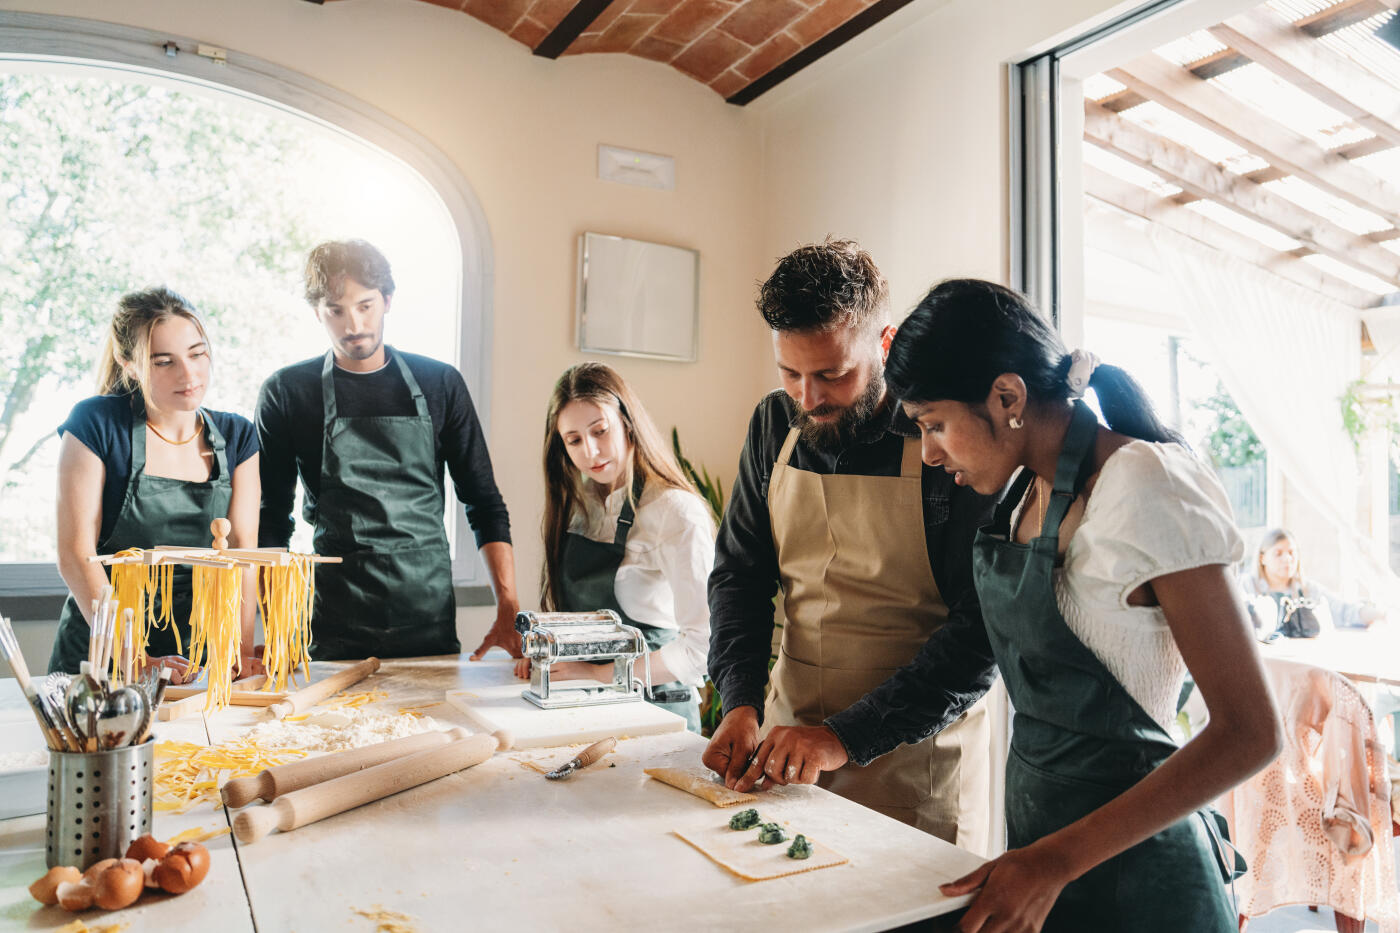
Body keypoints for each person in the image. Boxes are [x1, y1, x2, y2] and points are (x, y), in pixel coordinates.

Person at [880, 278, 1283, 933]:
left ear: (1007, 396)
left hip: (1146, 888)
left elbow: (1252, 733)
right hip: (1047, 868)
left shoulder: (1147, 487)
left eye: (935, 425)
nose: (928, 452)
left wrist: (1055, 859)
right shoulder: (1019, 496)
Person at [702, 240, 997, 849]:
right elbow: (740, 576)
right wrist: (740, 701)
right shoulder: (773, 425)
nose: (808, 397)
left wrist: (843, 736)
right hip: (787, 752)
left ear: (883, 345)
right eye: (790, 374)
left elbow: (979, 635)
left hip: (915, 764)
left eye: (833, 375)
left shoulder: (942, 439)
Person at [256, 240, 519, 660]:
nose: (353, 324)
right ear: (317, 312)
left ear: (388, 300)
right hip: (336, 621)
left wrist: (507, 605)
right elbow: (270, 518)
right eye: (336, 311)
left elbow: (483, 501)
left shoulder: (440, 383)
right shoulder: (288, 392)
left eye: (365, 305)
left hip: (426, 617)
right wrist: (275, 627)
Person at [51, 288, 260, 679]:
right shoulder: (95, 424)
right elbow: (76, 556)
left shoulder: (238, 436)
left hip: (200, 656)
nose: (189, 375)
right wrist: (135, 659)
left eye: (197, 354)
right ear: (128, 363)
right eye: (164, 362)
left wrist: (238, 652)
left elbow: (242, 556)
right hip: (104, 654)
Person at [513, 363, 715, 731]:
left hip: (659, 713)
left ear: (627, 421)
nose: (590, 451)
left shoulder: (676, 512)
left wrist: (597, 675)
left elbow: (702, 648)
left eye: (600, 431)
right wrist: (548, 654)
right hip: (585, 708)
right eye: (574, 440)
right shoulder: (575, 509)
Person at [1240, 528, 1385, 639]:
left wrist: (1382, 615)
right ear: (1262, 558)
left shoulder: (1308, 590)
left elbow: (1344, 611)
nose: (1287, 559)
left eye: (1291, 552)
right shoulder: (1247, 587)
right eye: (1278, 553)